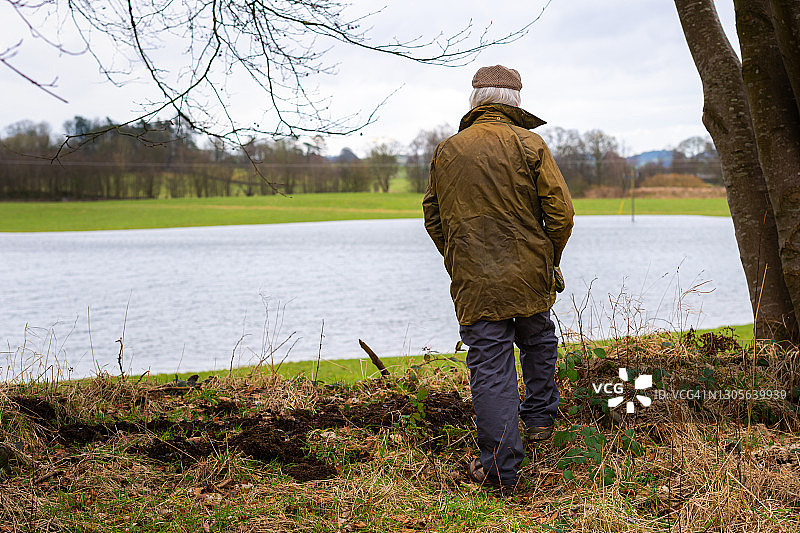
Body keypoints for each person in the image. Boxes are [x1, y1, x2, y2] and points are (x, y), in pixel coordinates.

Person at [422, 65, 574, 491]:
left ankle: (501, 469)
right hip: (529, 270)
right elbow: (561, 214)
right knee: (538, 336)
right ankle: (540, 419)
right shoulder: (530, 143)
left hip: (474, 278)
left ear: (475, 100)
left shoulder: (448, 150)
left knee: (490, 367)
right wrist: (547, 258)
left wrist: (460, 259)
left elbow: (433, 216)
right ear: (516, 102)